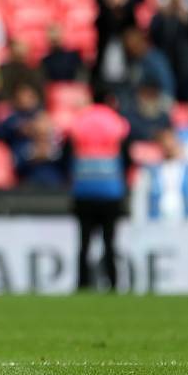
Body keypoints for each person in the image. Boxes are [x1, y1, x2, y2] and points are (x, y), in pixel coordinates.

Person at [68, 95, 130, 291]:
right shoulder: (116, 121)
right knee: (109, 242)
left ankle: (83, 284)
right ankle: (112, 283)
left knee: (84, 243)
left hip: (84, 190)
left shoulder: (80, 120)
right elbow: (126, 155)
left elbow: (69, 153)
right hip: (110, 191)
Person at [131, 127, 188, 224]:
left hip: (184, 223)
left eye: (171, 140)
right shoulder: (149, 171)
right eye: (164, 141)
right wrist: (139, 223)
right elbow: (140, 199)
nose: (168, 145)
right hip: (156, 223)